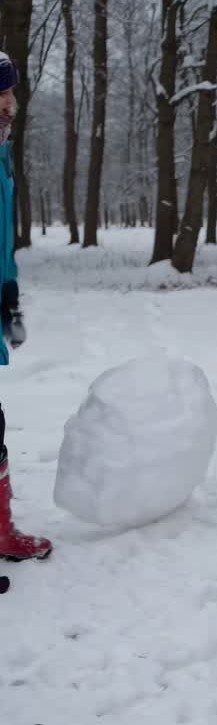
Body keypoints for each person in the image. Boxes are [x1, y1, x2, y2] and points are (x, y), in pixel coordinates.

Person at [0, 52, 52, 559]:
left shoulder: (0, 153)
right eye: (3, 95)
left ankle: (1, 528)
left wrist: (8, 290)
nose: (12, 104)